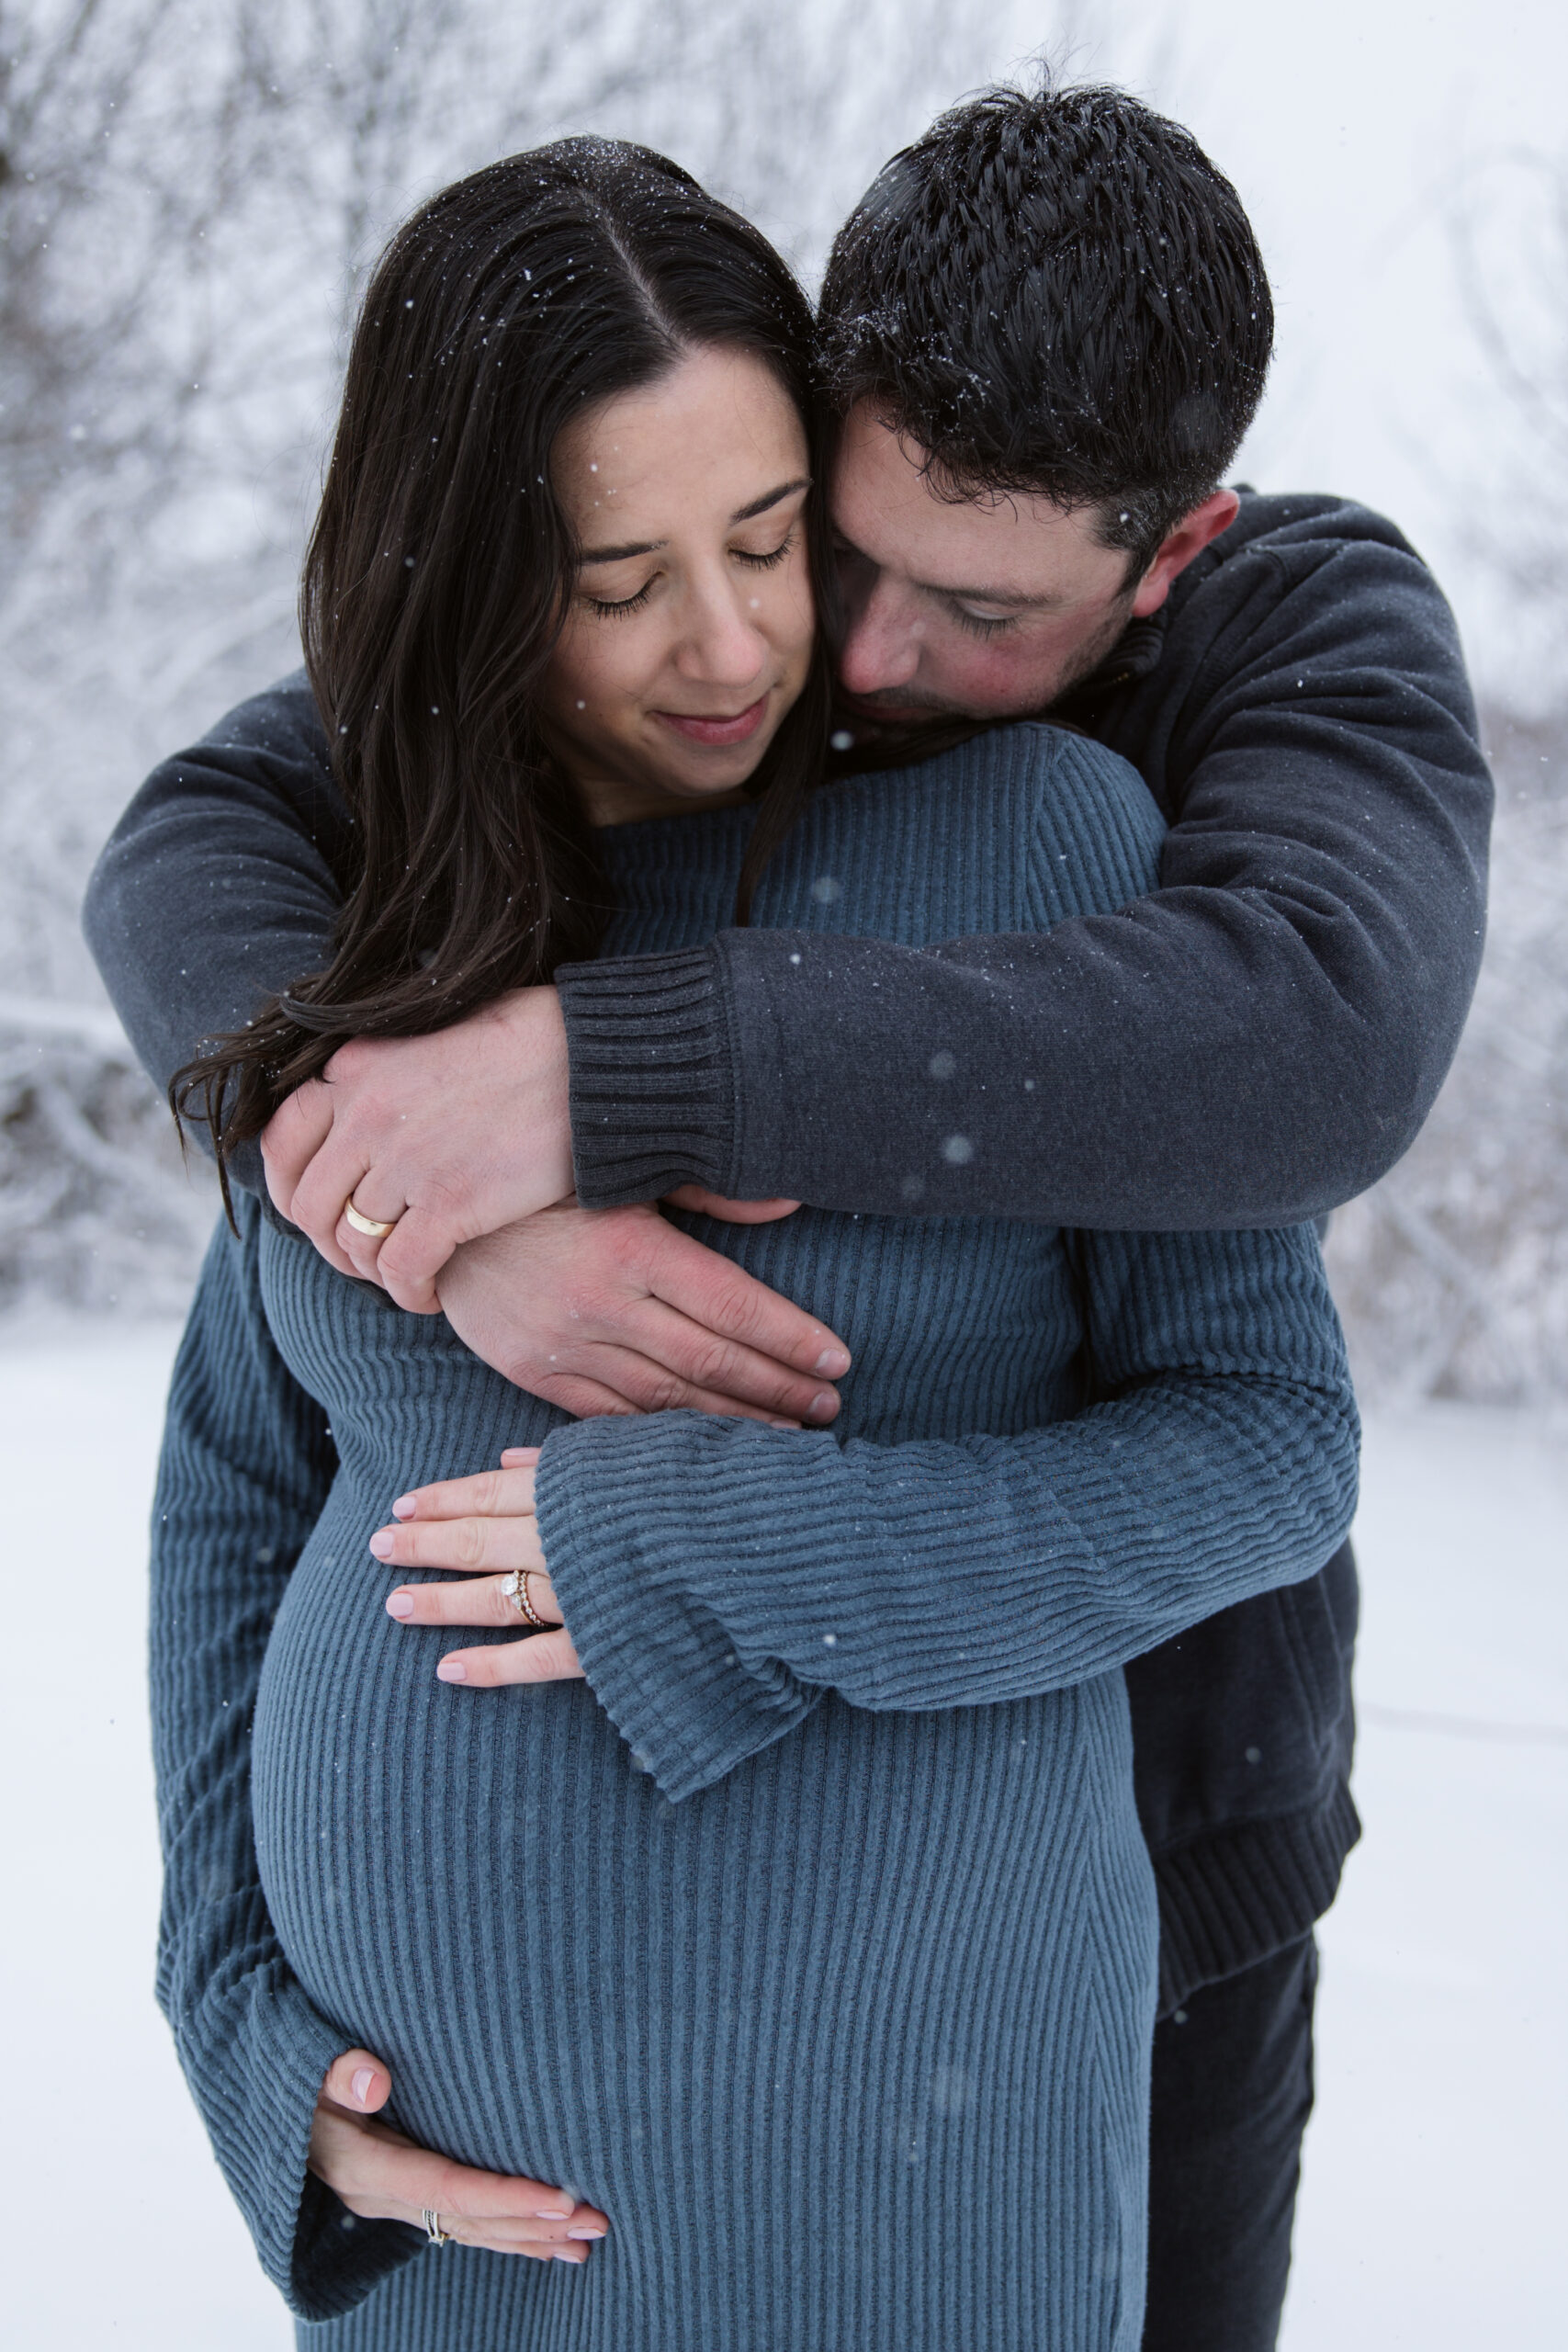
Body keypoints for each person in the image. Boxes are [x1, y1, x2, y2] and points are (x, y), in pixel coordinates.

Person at [85, 85, 1485, 2349]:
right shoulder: (414, 851)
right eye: (793, 545)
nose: (803, 655)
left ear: (1166, 555)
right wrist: (412, 1203)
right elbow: (239, 1472)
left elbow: (1316, 1052)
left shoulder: (1209, 703)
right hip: (463, 2231)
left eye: (967, 604)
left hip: (1077, 1951)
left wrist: (614, 1091)